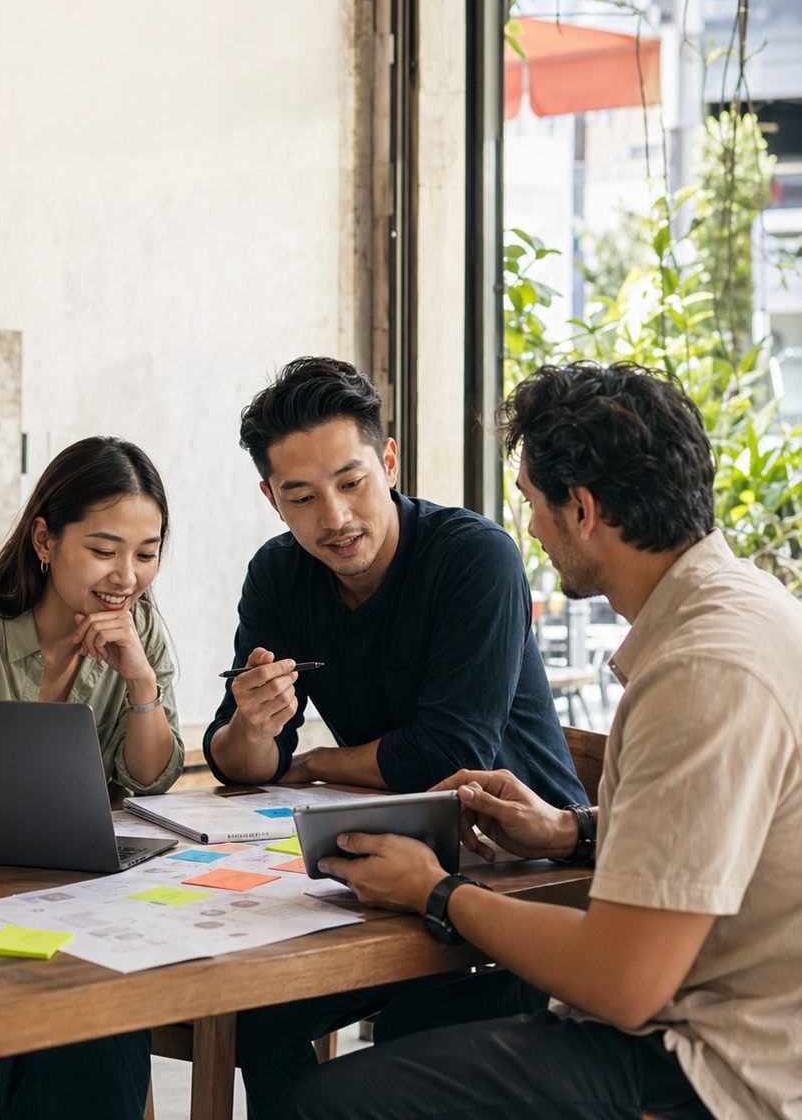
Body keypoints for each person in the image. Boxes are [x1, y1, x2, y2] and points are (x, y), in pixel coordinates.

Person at [294, 362, 802, 1120]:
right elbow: (726, 833)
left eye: (532, 502)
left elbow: (623, 983)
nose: (530, 527)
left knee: (330, 1103)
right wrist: (570, 831)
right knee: (407, 1035)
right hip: (736, 1019)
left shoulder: (699, 670)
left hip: (713, 1067)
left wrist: (437, 892)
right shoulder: (747, 607)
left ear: (583, 510)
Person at [204, 355, 586, 1119]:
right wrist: (252, 724)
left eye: (350, 482)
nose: (334, 518)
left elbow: (446, 751)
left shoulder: (472, 555)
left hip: (521, 871)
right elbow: (242, 760)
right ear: (271, 500)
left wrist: (310, 761)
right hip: (386, 865)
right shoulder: (279, 574)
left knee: (397, 1051)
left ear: (387, 461)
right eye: (302, 496)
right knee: (250, 1017)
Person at [0, 435, 184, 1120]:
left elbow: (148, 781)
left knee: (104, 1020)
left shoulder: (137, 630)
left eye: (146, 554)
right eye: (103, 548)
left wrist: (140, 682)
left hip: (71, 912)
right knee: (79, 1039)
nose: (126, 575)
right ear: (43, 539)